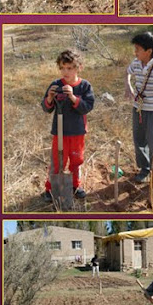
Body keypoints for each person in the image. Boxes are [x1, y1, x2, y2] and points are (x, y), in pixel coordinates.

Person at [41, 49, 95, 202]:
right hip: (59, 132)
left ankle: (75, 186)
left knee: (76, 160)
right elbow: (46, 108)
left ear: (79, 67)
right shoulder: (56, 85)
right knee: (57, 161)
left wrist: (72, 97)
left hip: (77, 132)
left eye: (70, 68)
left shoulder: (85, 86)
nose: (65, 71)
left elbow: (87, 107)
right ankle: (50, 188)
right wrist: (50, 98)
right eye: (62, 68)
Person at [125, 32, 153, 191]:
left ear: (149, 51)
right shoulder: (136, 63)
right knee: (139, 140)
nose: (135, 52)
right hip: (138, 109)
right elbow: (127, 72)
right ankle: (145, 169)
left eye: (138, 49)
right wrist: (128, 85)